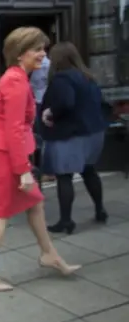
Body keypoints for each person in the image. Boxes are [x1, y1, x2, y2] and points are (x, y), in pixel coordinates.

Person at [0, 27, 80, 292]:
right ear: (20, 54)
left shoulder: (18, 79)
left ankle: (49, 255)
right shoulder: (15, 82)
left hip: (8, 155)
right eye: (37, 49)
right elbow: (12, 129)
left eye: (43, 48)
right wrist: (22, 170)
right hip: (7, 158)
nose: (43, 54)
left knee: (35, 204)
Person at [40, 41, 108, 234]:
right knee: (89, 171)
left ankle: (66, 221)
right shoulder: (88, 77)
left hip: (72, 134)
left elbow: (66, 102)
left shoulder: (62, 78)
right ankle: (100, 210)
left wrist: (49, 113)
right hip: (94, 132)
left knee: (64, 176)